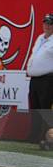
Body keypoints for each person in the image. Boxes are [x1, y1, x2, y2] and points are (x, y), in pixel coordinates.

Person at [26, 13, 53, 148]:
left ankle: (47, 139)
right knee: (35, 109)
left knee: (45, 110)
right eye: (45, 23)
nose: (47, 26)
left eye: (50, 23)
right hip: (34, 79)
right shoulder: (39, 38)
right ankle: (34, 137)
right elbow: (34, 55)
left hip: (48, 79)